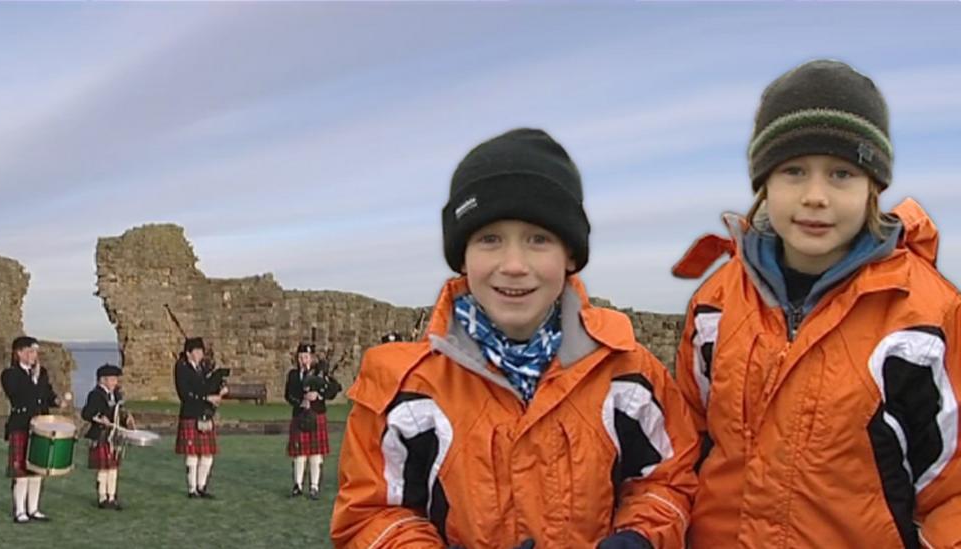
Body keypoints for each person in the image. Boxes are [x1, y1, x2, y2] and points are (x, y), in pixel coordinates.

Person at [332, 128, 699, 548]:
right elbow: (372, 513)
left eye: (538, 240)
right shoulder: (405, 390)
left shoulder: (631, 375)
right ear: (462, 255)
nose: (513, 264)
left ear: (571, 255)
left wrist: (638, 539)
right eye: (490, 239)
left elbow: (669, 481)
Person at [672, 59, 961, 547]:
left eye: (842, 174)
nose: (815, 196)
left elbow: (951, 487)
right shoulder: (715, 305)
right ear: (764, 183)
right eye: (794, 171)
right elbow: (684, 447)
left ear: (875, 187)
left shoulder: (925, 318)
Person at [1, 335, 62, 523]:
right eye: (30, 351)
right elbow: (17, 394)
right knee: (21, 473)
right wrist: (34, 379)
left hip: (41, 427)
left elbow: (47, 394)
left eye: (35, 351)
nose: (34, 355)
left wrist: (57, 401)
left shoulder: (41, 373)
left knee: (37, 471)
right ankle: (20, 511)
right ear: (19, 353)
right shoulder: (10, 374)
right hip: (20, 425)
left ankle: (34, 509)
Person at [285, 342, 342, 500]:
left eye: (306, 357)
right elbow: (288, 395)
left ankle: (314, 487)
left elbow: (335, 389)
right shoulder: (293, 375)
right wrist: (300, 402)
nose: (303, 360)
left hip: (317, 414)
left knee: (316, 454)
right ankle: (297, 485)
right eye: (301, 357)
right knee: (300, 454)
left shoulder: (319, 374)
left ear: (311, 358)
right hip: (300, 414)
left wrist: (319, 396)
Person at [174, 337, 227, 498]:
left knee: (207, 454)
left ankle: (202, 486)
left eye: (201, 351)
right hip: (190, 414)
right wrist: (206, 398)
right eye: (196, 351)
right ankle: (192, 489)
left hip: (205, 414)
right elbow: (184, 394)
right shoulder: (181, 368)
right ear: (188, 353)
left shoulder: (202, 368)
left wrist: (220, 391)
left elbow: (208, 385)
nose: (200, 354)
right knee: (192, 454)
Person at [81, 363, 136, 510]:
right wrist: (99, 417)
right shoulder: (95, 394)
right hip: (101, 435)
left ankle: (112, 497)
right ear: (102, 380)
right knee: (103, 468)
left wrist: (127, 417)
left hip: (114, 436)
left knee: (113, 468)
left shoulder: (116, 394)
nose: (114, 382)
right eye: (111, 379)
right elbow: (86, 413)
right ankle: (102, 497)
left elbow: (119, 410)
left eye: (115, 379)